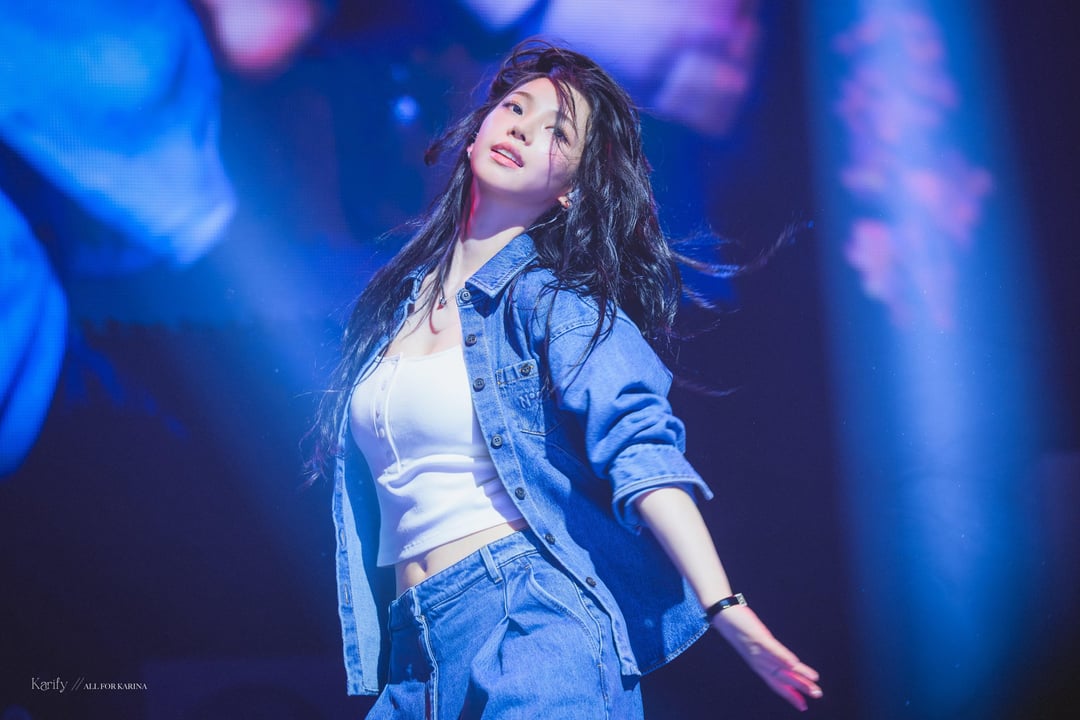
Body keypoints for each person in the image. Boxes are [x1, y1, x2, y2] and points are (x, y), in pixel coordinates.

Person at [309, 40, 822, 718]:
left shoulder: (556, 304)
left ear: (571, 189)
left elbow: (640, 446)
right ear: (477, 133)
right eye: (515, 108)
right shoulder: (391, 314)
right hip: (415, 656)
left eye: (558, 132)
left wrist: (723, 604)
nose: (524, 129)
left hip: (532, 622)